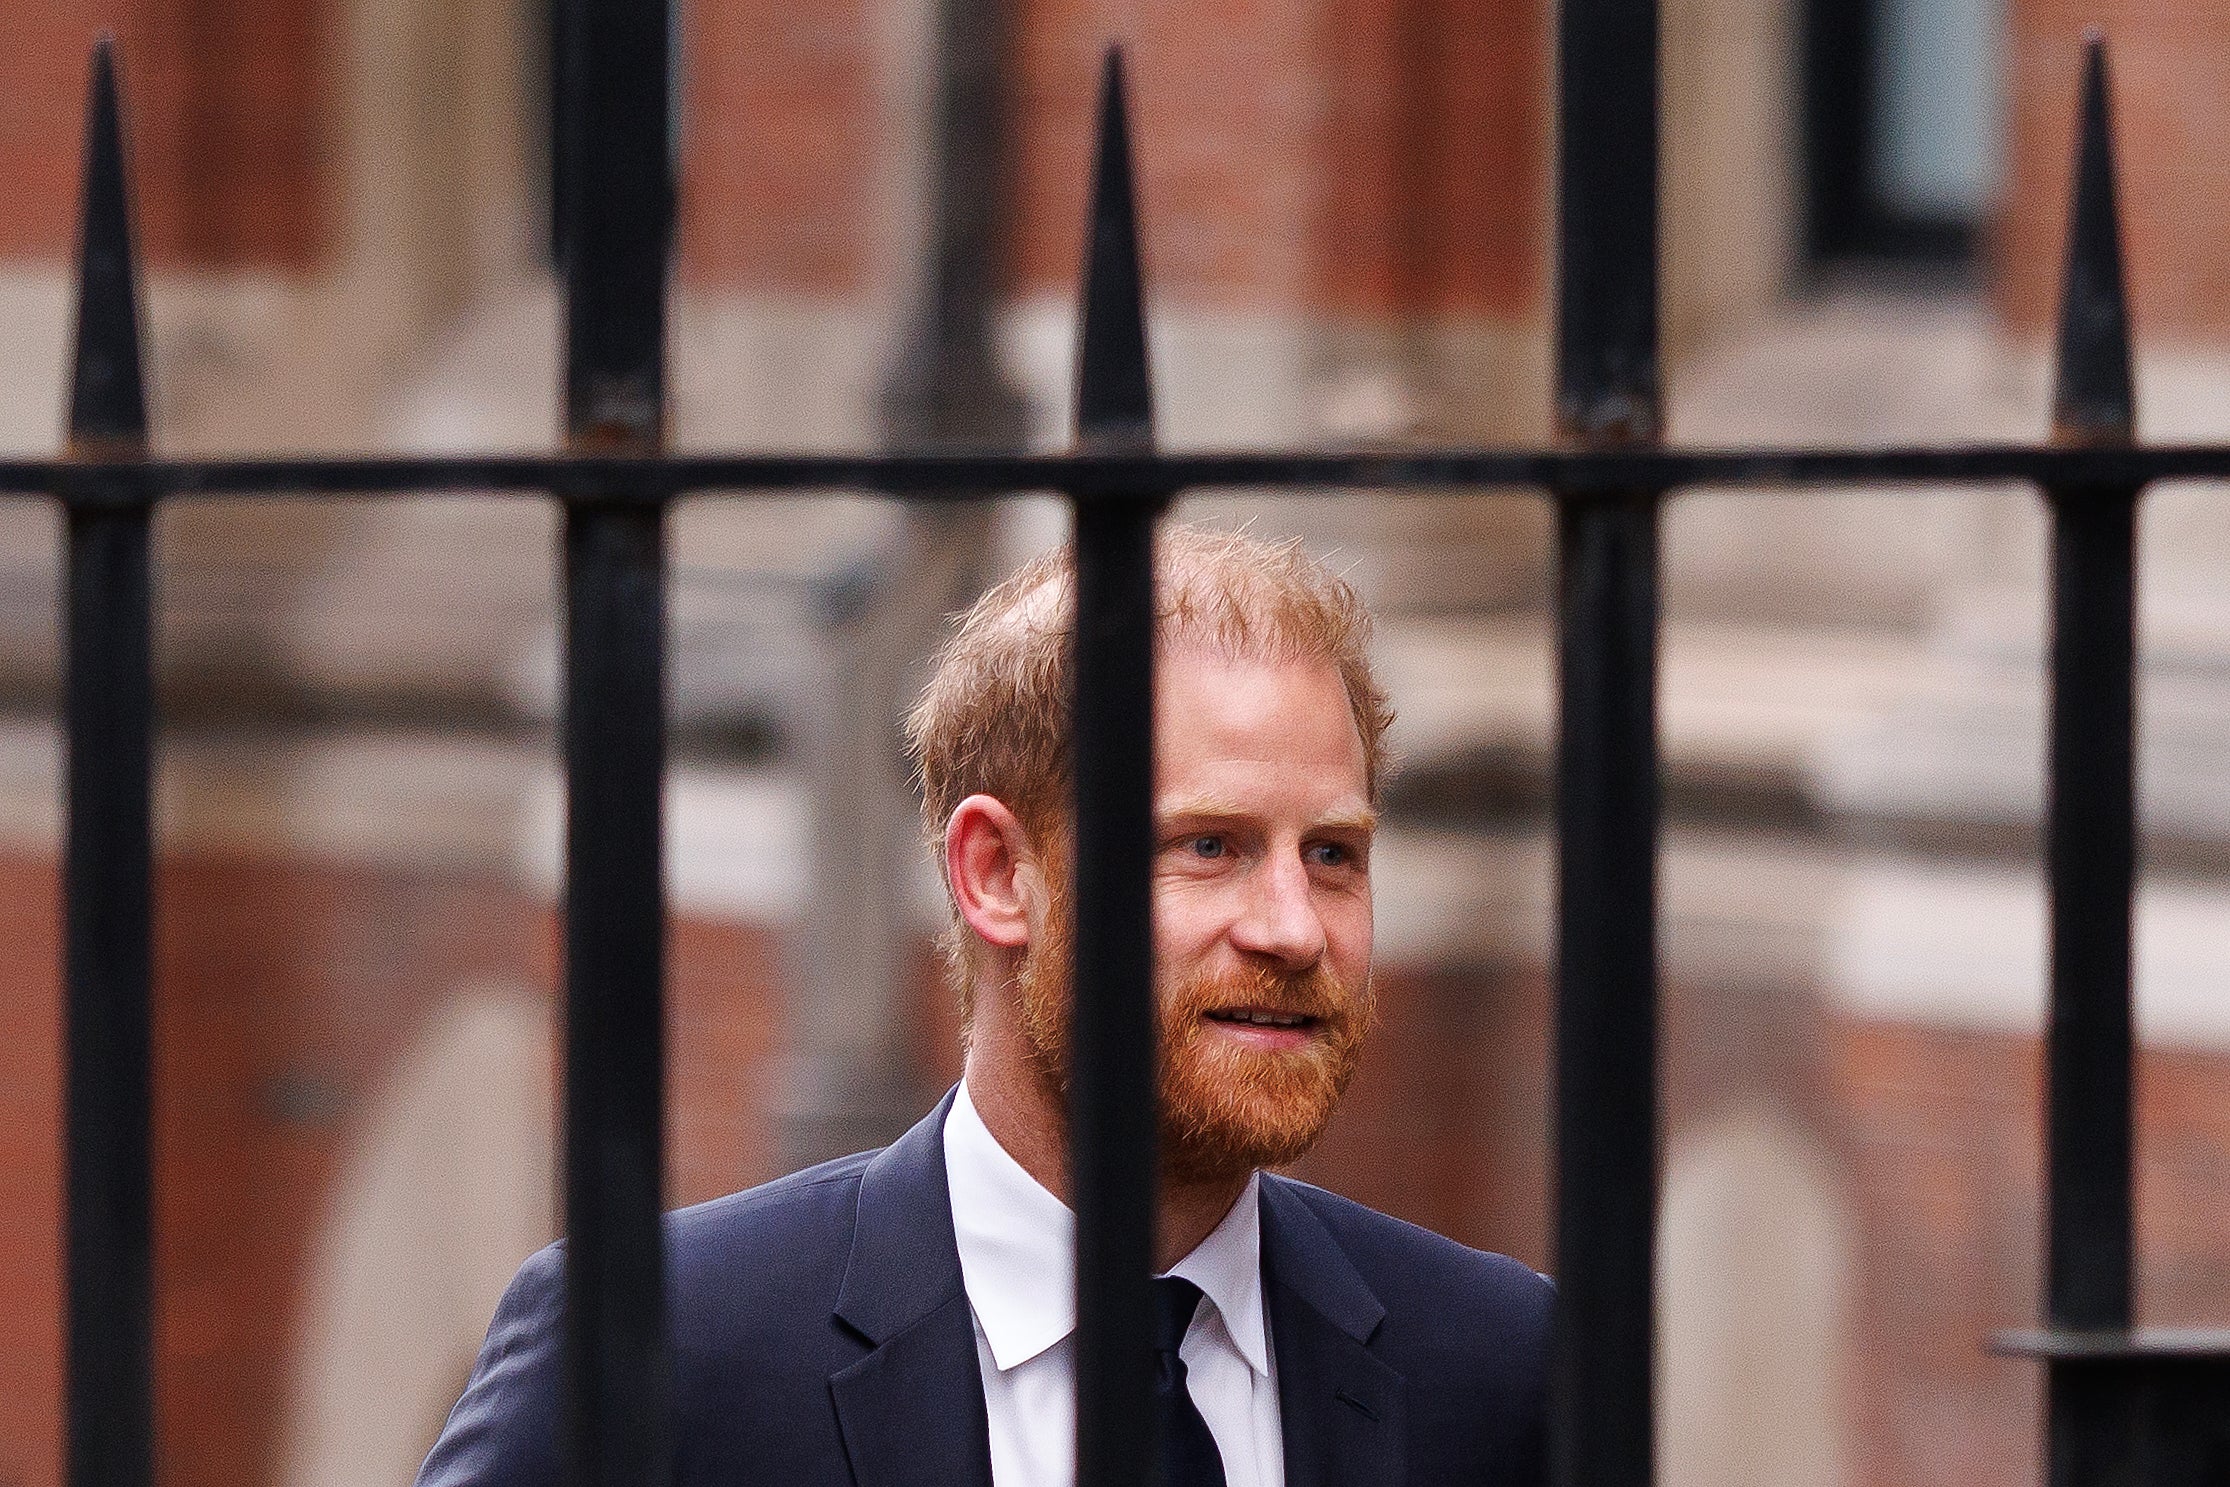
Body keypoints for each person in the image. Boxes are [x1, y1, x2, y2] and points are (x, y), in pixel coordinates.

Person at [417, 524, 1551, 1487]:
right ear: (998, 873)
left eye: (1334, 854)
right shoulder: (655, 1352)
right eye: (1210, 846)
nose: (1296, 929)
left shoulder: (1499, 1369)